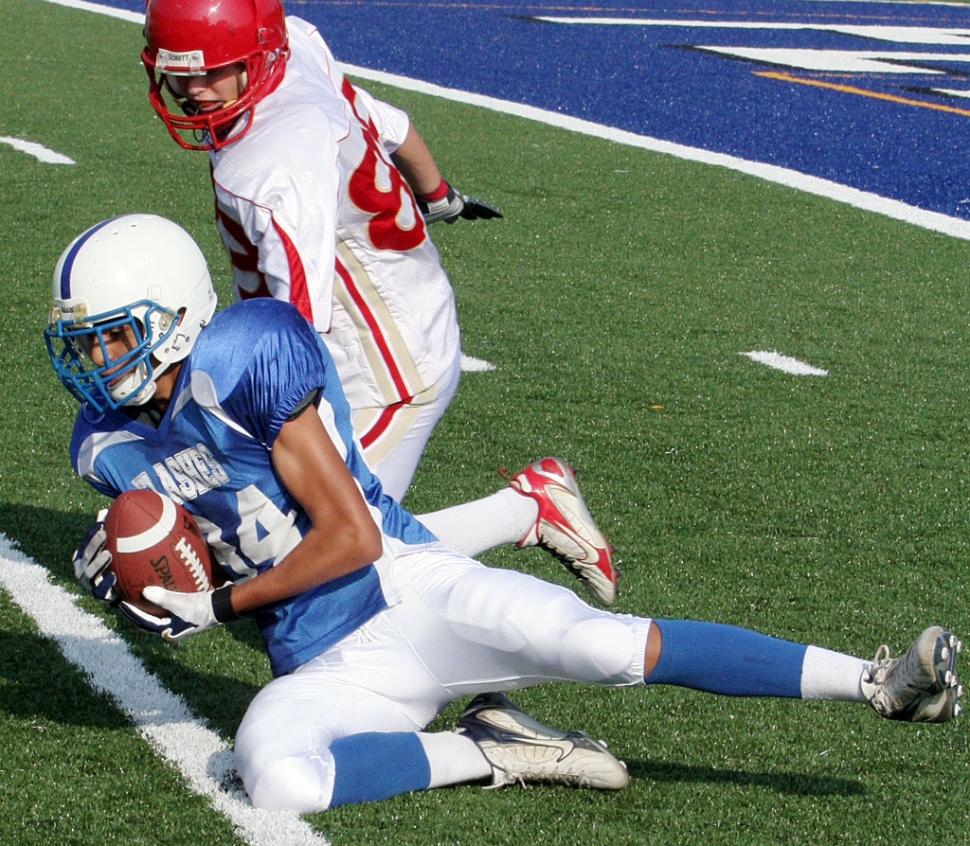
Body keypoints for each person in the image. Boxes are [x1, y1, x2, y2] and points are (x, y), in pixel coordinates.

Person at [49, 216, 963, 812]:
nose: (96, 360)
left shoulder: (244, 356)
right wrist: (134, 566)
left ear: (174, 314)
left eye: (113, 334)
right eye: (84, 342)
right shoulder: (107, 444)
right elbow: (194, 542)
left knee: (607, 647)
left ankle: (878, 683)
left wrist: (213, 608)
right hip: (321, 660)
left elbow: (351, 537)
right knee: (278, 778)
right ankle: (490, 750)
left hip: (406, 590)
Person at [137, 0, 617, 605]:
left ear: (254, 54)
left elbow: (297, 335)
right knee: (307, 545)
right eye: (181, 74)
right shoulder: (294, 46)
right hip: (394, 315)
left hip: (383, 368)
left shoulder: (274, 168)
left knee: (327, 557)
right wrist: (438, 190)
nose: (194, 92)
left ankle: (528, 512)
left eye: (213, 72)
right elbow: (389, 123)